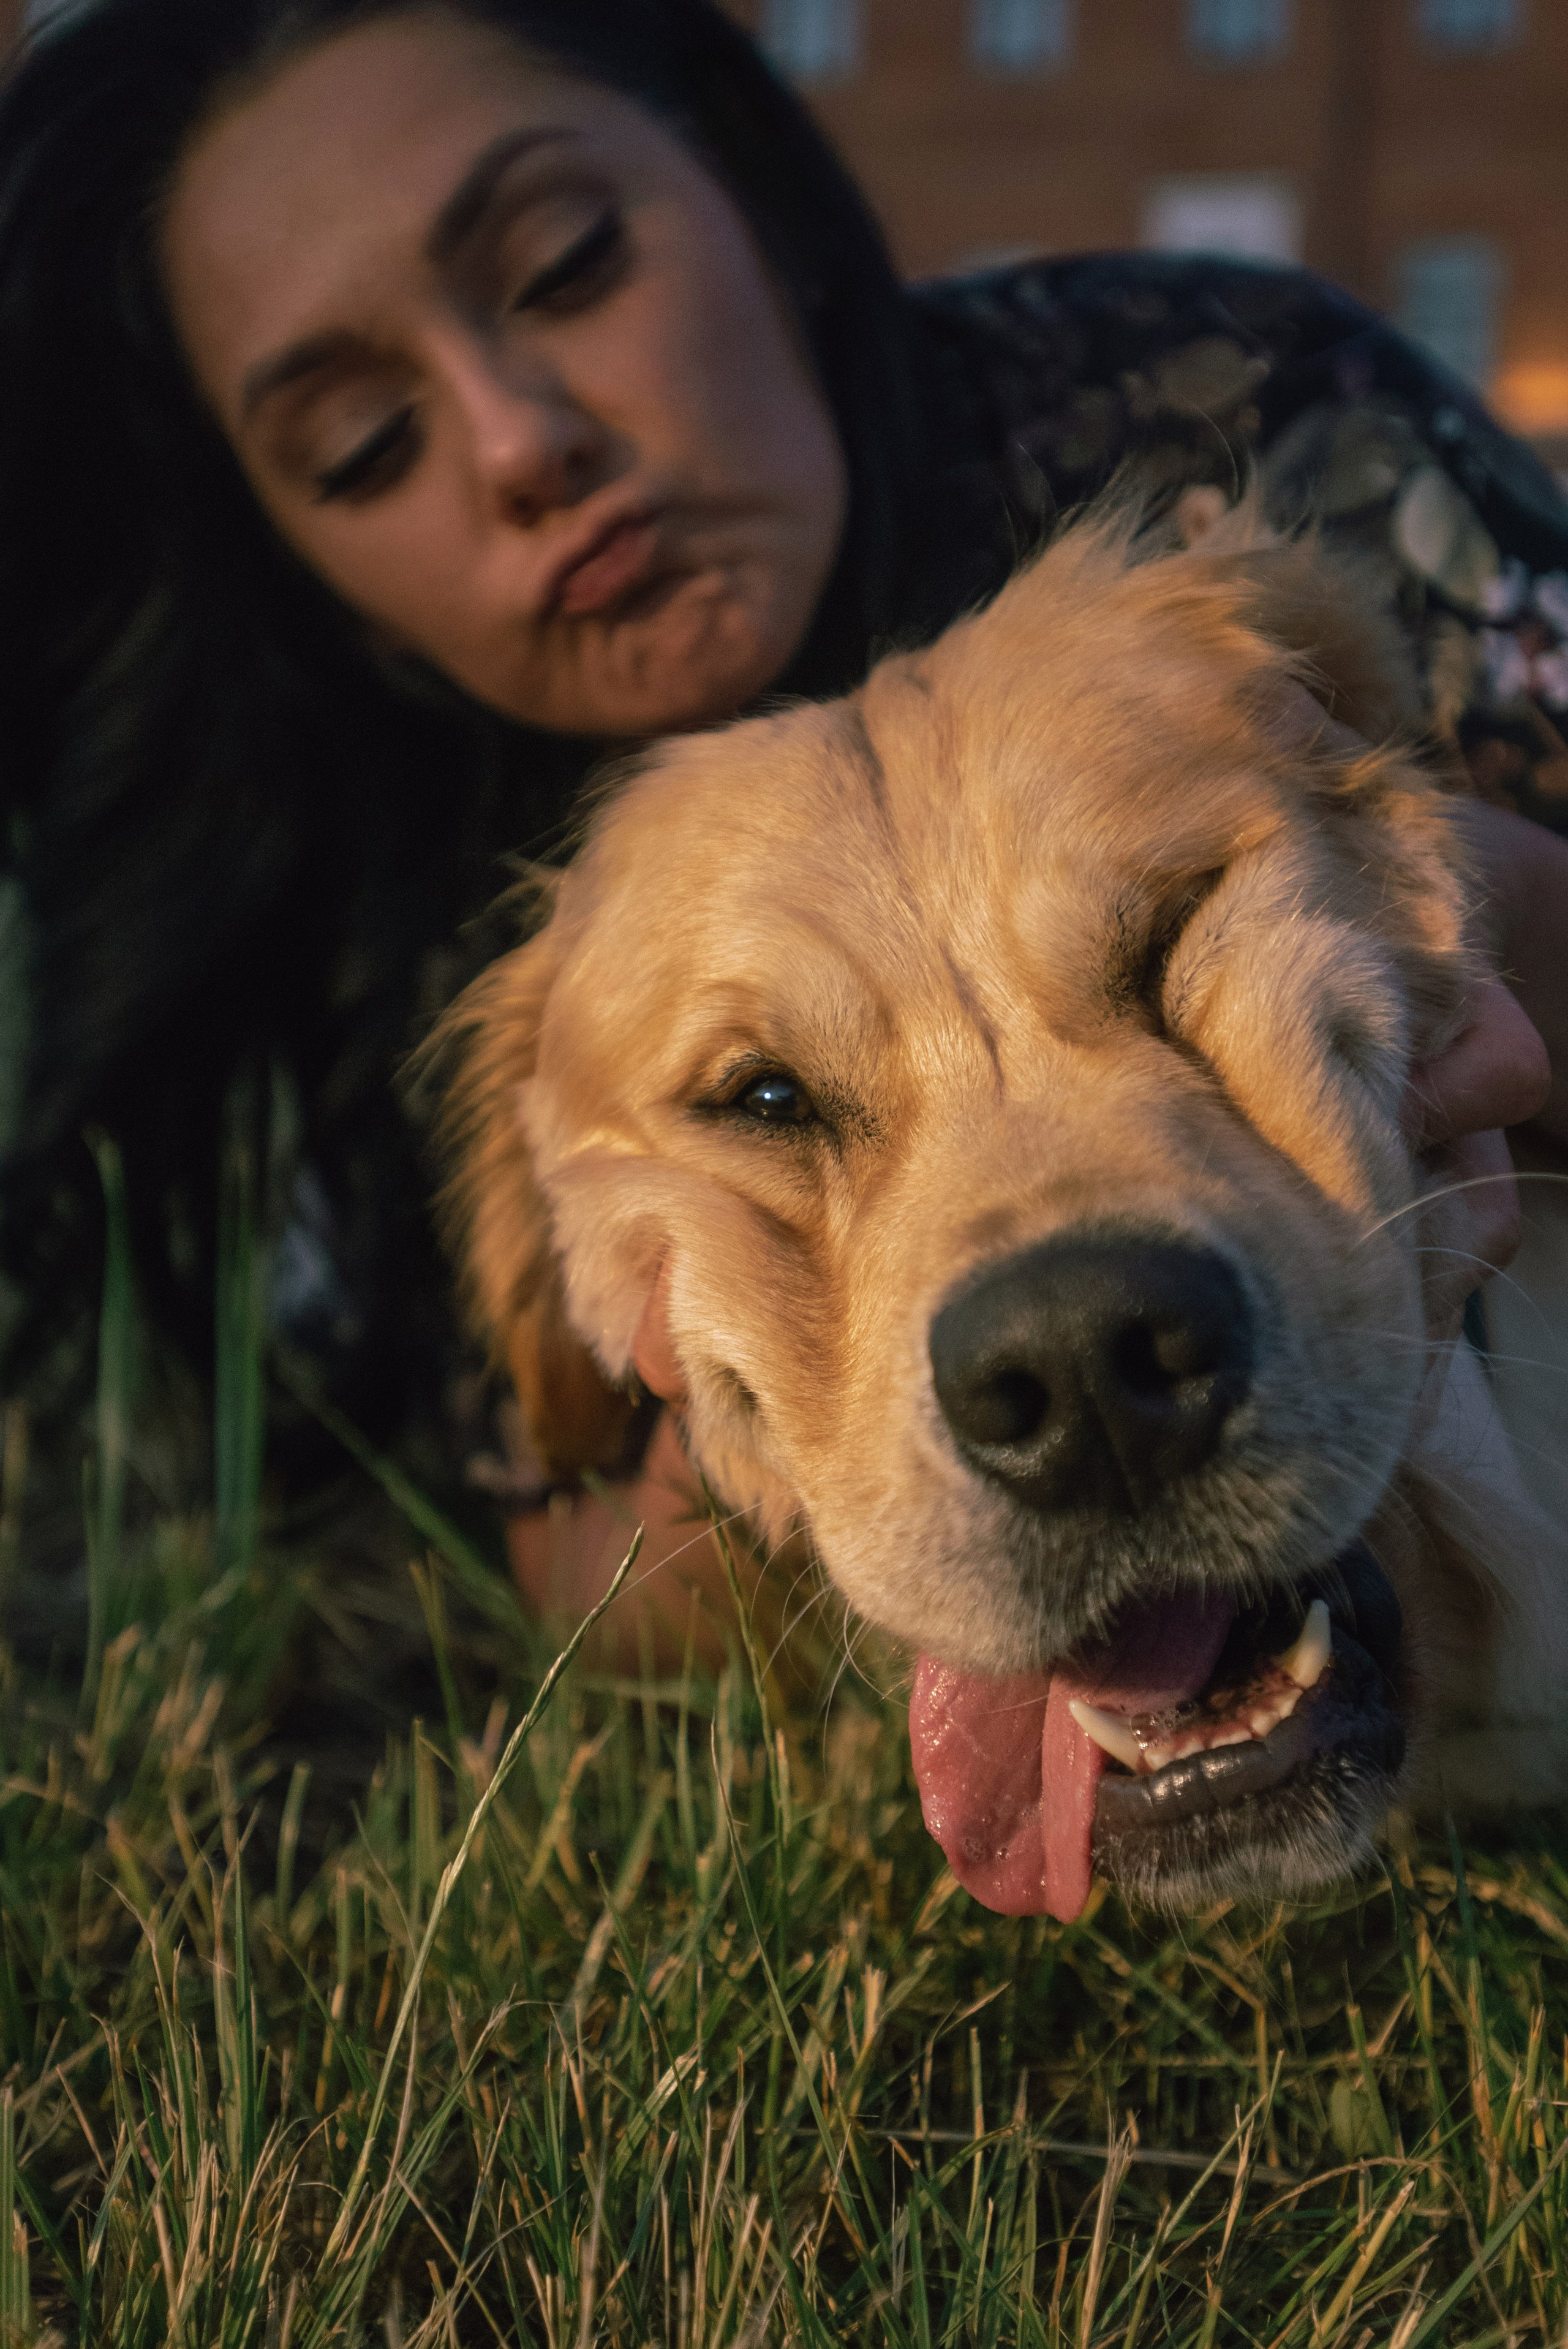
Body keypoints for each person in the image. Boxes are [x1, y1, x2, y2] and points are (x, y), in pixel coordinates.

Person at [0, 0, 1562, 1655]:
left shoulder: (1234, 411)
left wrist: (1487, 921)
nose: (526, 442)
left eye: (568, 266)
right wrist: (787, 1441)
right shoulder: (354, 890)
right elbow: (552, 1533)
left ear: (759, 197)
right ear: (325, 593)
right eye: (367, 445)